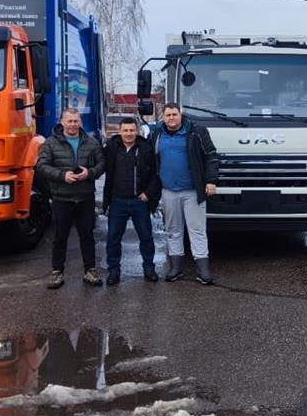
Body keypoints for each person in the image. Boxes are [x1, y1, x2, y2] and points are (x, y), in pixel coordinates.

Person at [149, 102, 219, 285]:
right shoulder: (156, 134)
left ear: (181, 115)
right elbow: (150, 161)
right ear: (163, 117)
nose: (171, 118)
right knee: (173, 230)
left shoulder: (197, 132)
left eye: (174, 114)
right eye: (168, 115)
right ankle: (176, 268)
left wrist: (211, 180)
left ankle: (203, 270)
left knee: (197, 230)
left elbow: (211, 155)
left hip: (193, 191)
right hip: (168, 191)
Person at [35, 107, 105, 289]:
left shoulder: (91, 142)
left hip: (85, 198)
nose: (73, 124)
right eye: (69, 121)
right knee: (60, 237)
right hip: (62, 198)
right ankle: (57, 272)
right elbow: (42, 166)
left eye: (76, 121)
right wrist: (62, 175)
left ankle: (90, 271)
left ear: (80, 122)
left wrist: (90, 173)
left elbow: (102, 164)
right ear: (62, 122)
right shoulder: (50, 143)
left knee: (87, 236)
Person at [102, 116, 159, 286]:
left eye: (132, 130)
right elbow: (97, 163)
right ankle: (114, 270)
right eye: (125, 130)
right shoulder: (112, 148)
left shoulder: (146, 148)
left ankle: (149, 268)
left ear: (137, 131)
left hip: (139, 201)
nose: (128, 134)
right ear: (119, 132)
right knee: (113, 238)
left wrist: (149, 193)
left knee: (146, 237)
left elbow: (156, 174)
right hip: (117, 201)